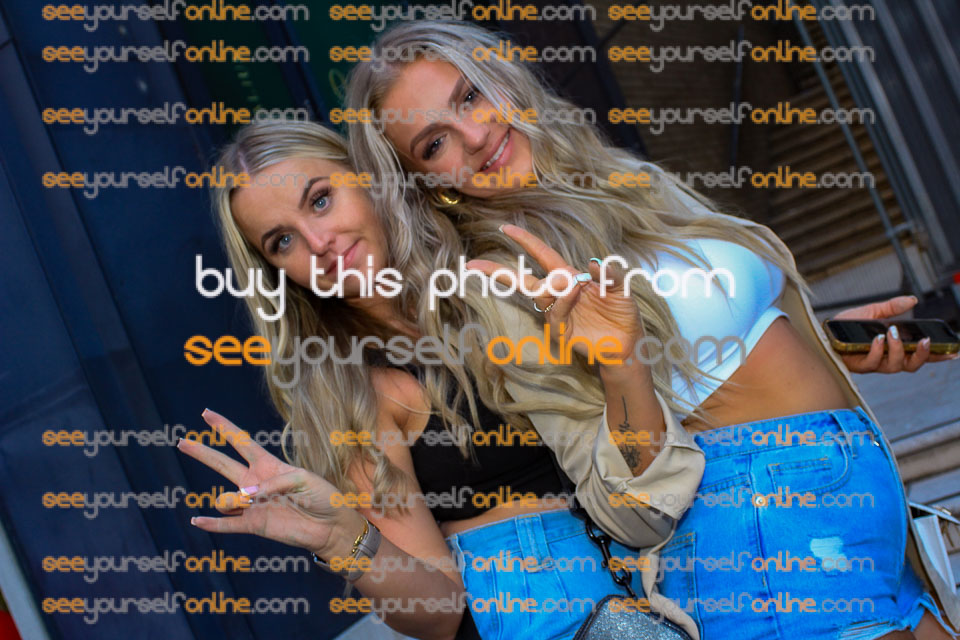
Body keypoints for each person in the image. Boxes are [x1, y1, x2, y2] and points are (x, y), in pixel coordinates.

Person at [343, 19, 960, 640]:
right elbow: (629, 514)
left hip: (852, 509)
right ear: (425, 185)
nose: (476, 136)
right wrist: (621, 362)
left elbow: (711, 346)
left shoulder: (620, 181)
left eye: (470, 95)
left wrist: (822, 345)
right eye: (435, 144)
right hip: (766, 531)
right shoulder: (502, 284)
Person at [177, 119, 693, 640]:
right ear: (276, 272)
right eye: (283, 240)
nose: (319, 242)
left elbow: (639, 459)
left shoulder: (496, 267)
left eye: (321, 199)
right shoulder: (356, 392)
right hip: (542, 609)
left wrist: (622, 362)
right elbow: (441, 614)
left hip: (664, 564)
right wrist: (341, 540)